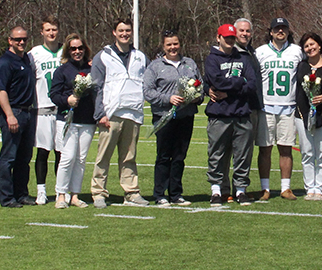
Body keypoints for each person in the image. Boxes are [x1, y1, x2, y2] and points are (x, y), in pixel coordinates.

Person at [90, 19, 149, 207]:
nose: (125, 34)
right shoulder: (103, 56)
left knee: (129, 157)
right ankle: (99, 193)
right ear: (114, 33)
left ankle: (131, 192)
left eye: (128, 30)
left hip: (133, 113)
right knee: (103, 156)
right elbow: (95, 86)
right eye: (121, 30)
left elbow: (147, 83)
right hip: (111, 114)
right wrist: (100, 113)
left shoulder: (140, 56)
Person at [143, 30, 202, 206]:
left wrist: (195, 96)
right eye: (169, 44)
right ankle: (160, 194)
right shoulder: (155, 66)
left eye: (175, 43)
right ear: (163, 46)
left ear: (180, 44)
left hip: (185, 116)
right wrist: (167, 98)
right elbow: (148, 91)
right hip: (164, 117)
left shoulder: (189, 63)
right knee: (163, 156)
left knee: (179, 157)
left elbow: (200, 85)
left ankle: (176, 194)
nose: (173, 47)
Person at [203, 24, 259, 206]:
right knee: (217, 155)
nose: (229, 41)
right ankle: (216, 191)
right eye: (226, 37)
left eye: (232, 38)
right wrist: (238, 82)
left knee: (243, 155)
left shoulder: (243, 58)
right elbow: (216, 81)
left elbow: (251, 84)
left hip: (242, 114)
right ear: (218, 37)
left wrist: (229, 91)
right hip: (219, 115)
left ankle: (241, 190)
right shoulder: (212, 59)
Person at [254, 17, 304, 200]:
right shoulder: (260, 52)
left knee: (286, 149)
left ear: (288, 31)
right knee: (265, 149)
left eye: (283, 28)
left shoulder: (297, 51)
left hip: (288, 107)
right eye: (277, 29)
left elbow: (313, 62)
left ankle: (285, 188)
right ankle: (265, 188)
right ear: (271, 31)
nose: (280, 32)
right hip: (266, 107)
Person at [50, 33, 97, 208]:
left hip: (87, 120)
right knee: (67, 157)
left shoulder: (92, 69)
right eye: (73, 48)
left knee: (81, 158)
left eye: (80, 48)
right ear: (68, 51)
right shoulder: (62, 71)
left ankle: (75, 195)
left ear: (85, 49)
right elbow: (53, 94)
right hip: (66, 119)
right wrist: (67, 100)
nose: (77, 51)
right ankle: (61, 194)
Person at [0, 26, 37, 207]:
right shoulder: (5, 62)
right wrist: (10, 115)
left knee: (24, 158)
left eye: (24, 39)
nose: (21, 42)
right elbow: (0, 90)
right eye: (17, 39)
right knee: (8, 157)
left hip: (28, 112)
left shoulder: (26, 58)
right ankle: (6, 196)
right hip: (14, 112)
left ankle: (21, 194)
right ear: (9, 40)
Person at [293, 32, 322, 200]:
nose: (310, 48)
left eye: (313, 44)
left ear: (319, 45)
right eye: (306, 46)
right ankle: (309, 187)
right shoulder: (301, 66)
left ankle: (320, 188)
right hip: (302, 116)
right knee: (307, 153)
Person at [28, 18, 64, 205]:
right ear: (41, 32)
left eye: (54, 29)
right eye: (48, 30)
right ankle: (41, 190)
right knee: (43, 152)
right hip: (42, 108)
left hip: (62, 110)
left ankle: (60, 190)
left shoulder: (66, 51)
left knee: (61, 152)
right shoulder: (34, 54)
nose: (51, 33)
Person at [233, 18, 265, 201]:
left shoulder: (251, 52)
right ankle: (223, 190)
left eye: (248, 31)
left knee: (245, 152)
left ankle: (240, 188)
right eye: (241, 31)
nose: (245, 34)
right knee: (230, 150)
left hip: (252, 108)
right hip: (235, 108)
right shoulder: (230, 52)